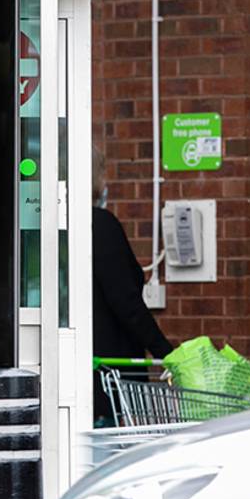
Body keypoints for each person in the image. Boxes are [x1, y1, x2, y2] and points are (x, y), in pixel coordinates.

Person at [91, 143, 173, 426]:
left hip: (91, 379)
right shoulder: (99, 226)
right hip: (107, 382)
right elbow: (126, 302)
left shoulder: (63, 228)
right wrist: (166, 353)